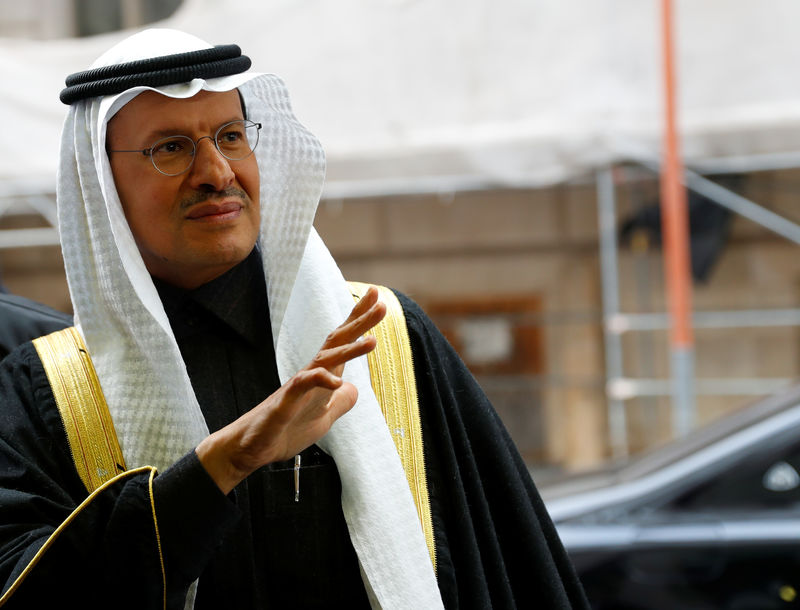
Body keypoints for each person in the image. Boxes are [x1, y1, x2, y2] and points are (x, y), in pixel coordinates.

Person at [0, 29, 588, 609]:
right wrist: (218, 469)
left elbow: (507, 568)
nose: (217, 172)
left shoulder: (385, 336)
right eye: (171, 148)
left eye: (231, 136)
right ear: (101, 186)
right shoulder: (43, 391)